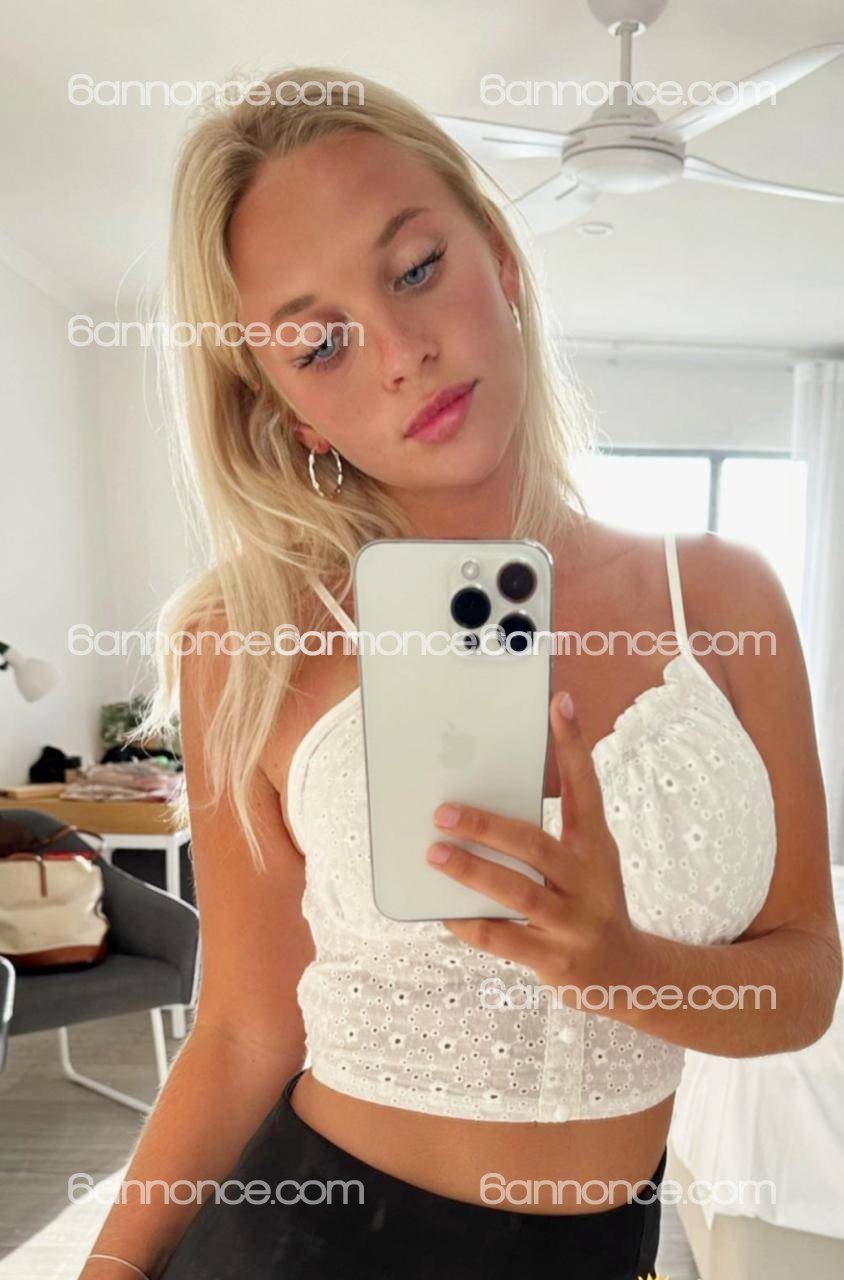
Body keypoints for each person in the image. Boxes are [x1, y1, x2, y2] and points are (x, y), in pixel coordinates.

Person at [80, 66, 842, 1280]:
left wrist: (625, 967)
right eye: (320, 342)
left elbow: (802, 979)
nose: (401, 354)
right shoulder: (247, 638)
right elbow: (242, 1028)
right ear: (290, 411)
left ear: (500, 255)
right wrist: (111, 1270)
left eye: (417, 268)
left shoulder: (723, 597)